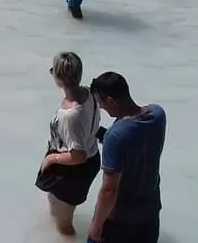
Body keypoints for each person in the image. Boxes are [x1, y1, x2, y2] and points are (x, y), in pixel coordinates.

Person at [86, 72, 166, 243]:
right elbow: (137, 143)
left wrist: (96, 224)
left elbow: (109, 190)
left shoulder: (116, 137)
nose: (101, 108)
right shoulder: (158, 114)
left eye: (101, 103)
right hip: (150, 210)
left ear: (111, 100)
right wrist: (105, 137)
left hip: (121, 219)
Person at [36, 51, 101, 236]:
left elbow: (77, 156)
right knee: (56, 206)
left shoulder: (69, 115)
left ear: (58, 79)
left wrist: (51, 159)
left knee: (64, 225)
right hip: (91, 157)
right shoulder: (90, 93)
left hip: (73, 169)